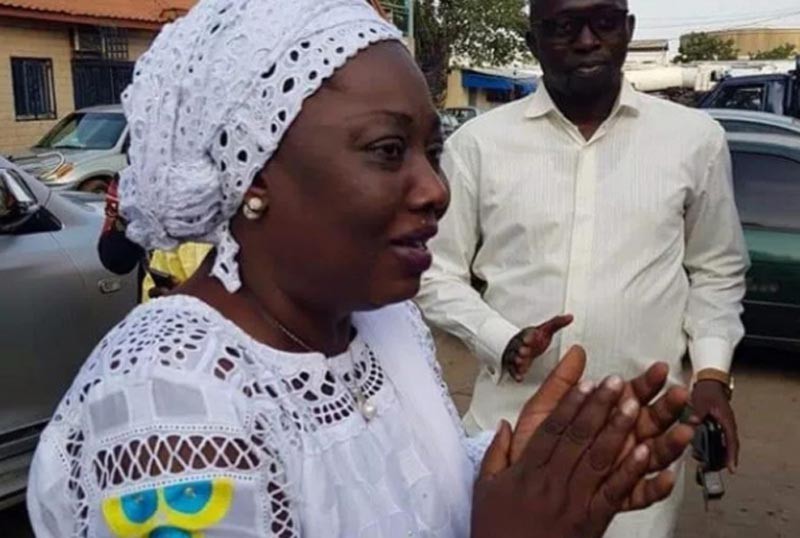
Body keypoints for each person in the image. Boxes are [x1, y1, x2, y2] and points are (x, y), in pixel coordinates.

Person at [26, 1, 695, 536]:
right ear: (254, 175)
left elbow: (404, 495)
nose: (435, 190)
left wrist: (514, 475)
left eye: (432, 151)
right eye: (388, 149)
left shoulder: (378, 325)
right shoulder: (171, 405)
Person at [416, 0, 750, 536]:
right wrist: (502, 339)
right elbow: (434, 271)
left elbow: (717, 269)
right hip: (510, 436)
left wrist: (712, 375)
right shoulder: (478, 145)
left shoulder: (694, 139)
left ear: (628, 30)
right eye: (565, 26)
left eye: (605, 22)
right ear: (534, 41)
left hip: (638, 441)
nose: (588, 39)